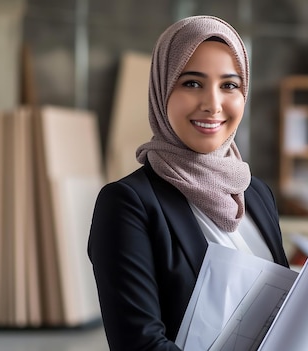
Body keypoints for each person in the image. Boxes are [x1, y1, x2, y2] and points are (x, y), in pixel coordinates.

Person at [88, 15, 289, 351]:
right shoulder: (127, 203)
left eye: (229, 85)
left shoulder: (256, 193)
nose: (212, 104)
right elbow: (140, 344)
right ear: (162, 89)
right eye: (192, 83)